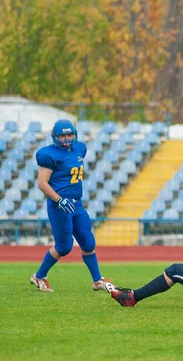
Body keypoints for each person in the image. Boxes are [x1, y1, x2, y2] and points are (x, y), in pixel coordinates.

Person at [30, 119, 110, 292]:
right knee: (64, 247)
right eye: (63, 135)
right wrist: (59, 199)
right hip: (59, 206)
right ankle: (38, 276)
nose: (67, 138)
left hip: (77, 204)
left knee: (88, 242)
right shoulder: (49, 154)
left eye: (70, 134)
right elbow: (42, 183)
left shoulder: (80, 148)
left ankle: (97, 280)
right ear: (55, 137)